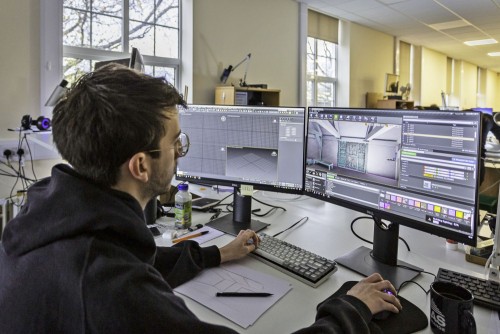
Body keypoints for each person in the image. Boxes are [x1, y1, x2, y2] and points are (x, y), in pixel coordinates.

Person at [0, 64, 401, 333]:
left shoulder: (50, 218)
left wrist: (215, 255)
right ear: (140, 166)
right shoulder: (113, 290)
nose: (180, 152)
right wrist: (352, 310)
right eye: (176, 143)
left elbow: (133, 255)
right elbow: (123, 277)